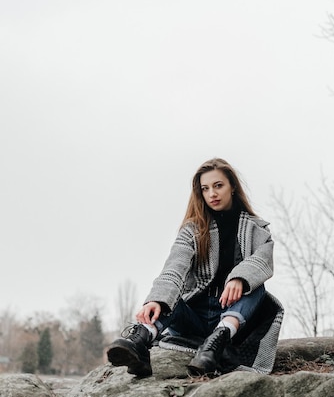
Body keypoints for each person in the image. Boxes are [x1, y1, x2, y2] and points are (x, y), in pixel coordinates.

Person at [107, 157, 284, 378]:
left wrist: (239, 278)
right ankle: (141, 340)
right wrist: (156, 300)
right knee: (169, 297)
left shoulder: (258, 229)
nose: (212, 194)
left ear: (233, 188)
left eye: (218, 186)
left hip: (235, 318)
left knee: (256, 287)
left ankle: (217, 342)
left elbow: (263, 261)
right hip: (195, 318)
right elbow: (175, 267)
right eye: (205, 189)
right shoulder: (193, 230)